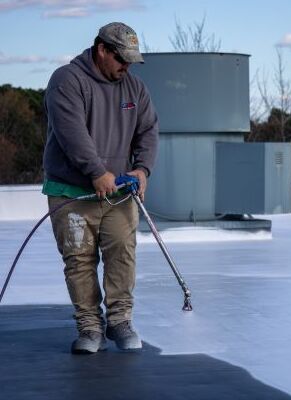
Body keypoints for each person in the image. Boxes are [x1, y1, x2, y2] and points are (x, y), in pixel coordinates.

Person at [42, 22, 159, 354]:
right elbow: (71, 132)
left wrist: (143, 168)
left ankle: (119, 320)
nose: (126, 67)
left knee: (122, 253)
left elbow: (148, 131)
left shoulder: (135, 89)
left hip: (119, 193)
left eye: (131, 62)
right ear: (102, 49)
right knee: (79, 259)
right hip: (70, 192)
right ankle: (90, 326)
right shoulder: (67, 80)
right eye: (121, 59)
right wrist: (96, 171)